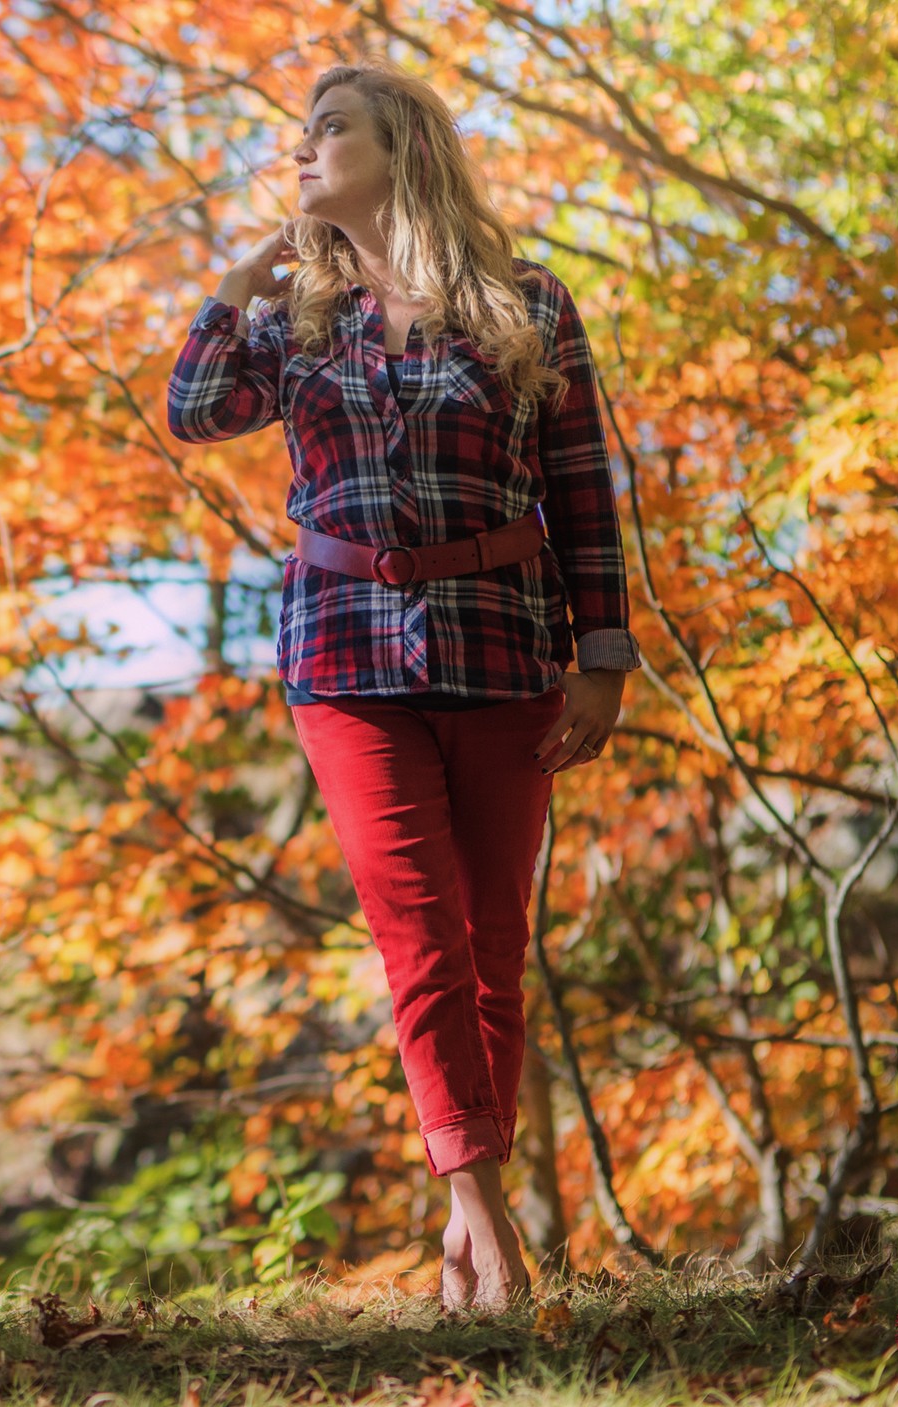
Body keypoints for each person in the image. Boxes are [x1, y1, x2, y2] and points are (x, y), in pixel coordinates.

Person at [165, 63, 641, 1313]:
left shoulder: (526, 303)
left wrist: (603, 659)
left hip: (505, 650)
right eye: (301, 134)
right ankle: (486, 1217)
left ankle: (462, 1223)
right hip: (342, 662)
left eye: (331, 130)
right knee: (417, 938)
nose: (305, 149)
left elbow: (582, 491)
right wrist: (238, 281)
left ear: (404, 148)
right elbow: (194, 409)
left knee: (493, 949)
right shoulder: (294, 321)